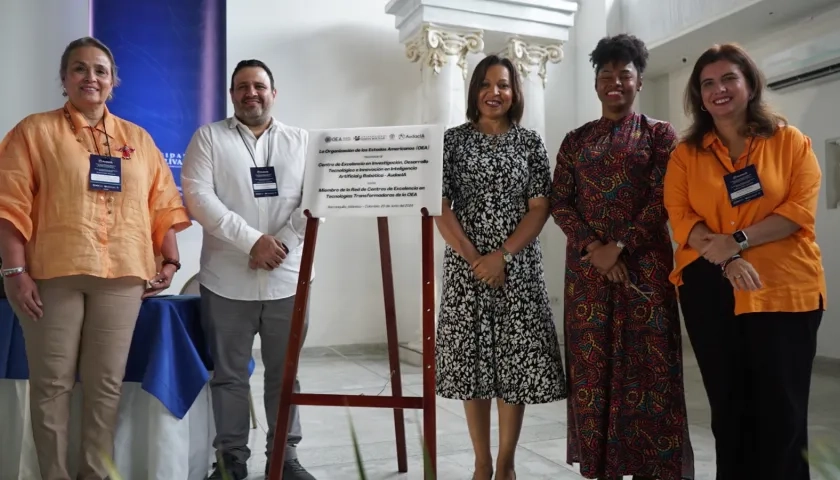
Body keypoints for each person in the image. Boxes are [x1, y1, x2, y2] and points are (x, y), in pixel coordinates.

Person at [0, 36, 190, 480]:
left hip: (123, 274)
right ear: (64, 79)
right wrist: (13, 271)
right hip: (53, 272)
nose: (91, 77)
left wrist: (170, 261)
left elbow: (161, 201)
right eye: (80, 69)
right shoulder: (34, 131)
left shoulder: (136, 138)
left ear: (113, 81)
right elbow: (10, 205)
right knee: (51, 385)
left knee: (106, 386)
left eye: (100, 70)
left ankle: (95, 474)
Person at [663, 43, 825, 480]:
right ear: (699, 96)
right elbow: (681, 217)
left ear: (750, 84)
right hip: (709, 291)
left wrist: (736, 241)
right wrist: (726, 257)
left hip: (785, 290)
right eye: (708, 83)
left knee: (784, 417)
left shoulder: (790, 142)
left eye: (729, 78)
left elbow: (798, 212)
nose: (719, 90)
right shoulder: (685, 155)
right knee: (730, 414)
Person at [550, 34, 694, 480]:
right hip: (590, 276)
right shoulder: (575, 141)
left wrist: (622, 245)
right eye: (606, 75)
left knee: (648, 372)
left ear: (639, 82)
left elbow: (664, 196)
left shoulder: (660, 134)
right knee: (594, 375)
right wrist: (596, 248)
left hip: (645, 274)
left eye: (624, 75)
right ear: (595, 84)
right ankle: (602, 467)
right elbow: (559, 201)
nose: (615, 82)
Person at [181, 59, 316, 480]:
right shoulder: (208, 138)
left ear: (273, 93)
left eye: (259, 85)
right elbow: (200, 199)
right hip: (226, 281)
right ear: (231, 94)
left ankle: (285, 459)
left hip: (288, 278)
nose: (251, 93)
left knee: (285, 375)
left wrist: (282, 245)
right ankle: (231, 460)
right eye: (242, 86)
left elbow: (315, 201)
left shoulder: (302, 141)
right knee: (229, 376)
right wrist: (252, 242)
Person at [434, 54, 566, 480]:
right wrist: (476, 260)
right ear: (474, 91)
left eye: (504, 85)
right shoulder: (452, 141)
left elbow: (540, 206)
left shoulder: (530, 142)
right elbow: (440, 205)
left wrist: (502, 256)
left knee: (515, 364)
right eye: (486, 85)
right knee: (471, 365)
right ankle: (481, 461)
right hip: (466, 269)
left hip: (518, 268)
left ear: (515, 92)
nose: (495, 93)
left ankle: (506, 462)